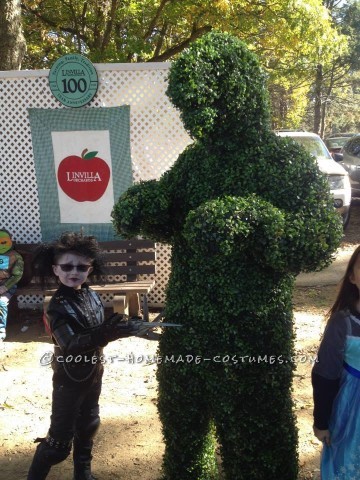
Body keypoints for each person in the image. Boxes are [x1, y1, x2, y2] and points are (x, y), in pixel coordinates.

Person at [27, 232, 144, 480]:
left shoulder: (91, 295)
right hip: (68, 381)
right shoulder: (57, 305)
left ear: (91, 269)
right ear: (55, 269)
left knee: (89, 425)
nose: (74, 272)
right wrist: (106, 333)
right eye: (67, 266)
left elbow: (96, 330)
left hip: (93, 373)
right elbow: (70, 344)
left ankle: (84, 475)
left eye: (82, 267)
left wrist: (121, 328)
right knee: (58, 446)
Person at [312, 244, 360, 479]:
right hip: (352, 411)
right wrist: (321, 422)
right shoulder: (343, 323)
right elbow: (325, 375)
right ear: (352, 276)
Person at [0, 228, 24, 340]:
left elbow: (17, 275)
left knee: (1, 302)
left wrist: (4, 287)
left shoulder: (15, 256)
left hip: (7, 285)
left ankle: (1, 331)